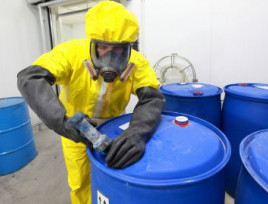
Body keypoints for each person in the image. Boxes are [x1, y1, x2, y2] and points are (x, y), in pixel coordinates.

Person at [17, 1, 164, 204]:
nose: (111, 56)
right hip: (75, 128)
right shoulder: (72, 52)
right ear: (92, 43)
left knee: (116, 174)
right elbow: (30, 78)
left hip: (114, 129)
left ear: (129, 46)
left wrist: (137, 132)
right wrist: (63, 123)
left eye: (119, 50)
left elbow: (152, 98)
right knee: (80, 181)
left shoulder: (136, 62)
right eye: (103, 47)